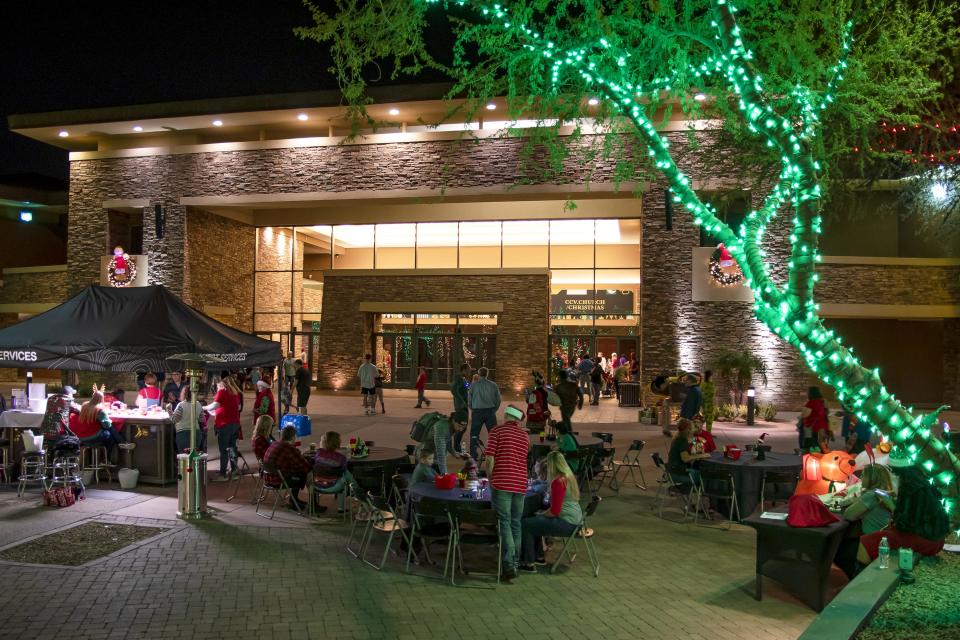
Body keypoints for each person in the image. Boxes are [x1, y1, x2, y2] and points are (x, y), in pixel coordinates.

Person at [858, 450, 951, 565]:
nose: (894, 474)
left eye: (895, 472)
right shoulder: (924, 482)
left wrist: (890, 504)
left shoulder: (909, 487)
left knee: (866, 542)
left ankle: (864, 579)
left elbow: (905, 523)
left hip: (925, 539)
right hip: (937, 539)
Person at [485, 405, 530, 581]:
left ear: (506, 416)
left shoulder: (496, 431)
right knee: (515, 523)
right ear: (518, 420)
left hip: (502, 481)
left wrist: (490, 477)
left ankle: (509, 564)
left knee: (504, 522)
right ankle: (515, 562)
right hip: (520, 483)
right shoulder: (525, 436)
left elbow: (490, 458)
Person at [519, 451, 583, 572]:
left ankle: (528, 563)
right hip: (576, 520)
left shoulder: (558, 482)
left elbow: (554, 511)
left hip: (567, 523)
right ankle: (539, 557)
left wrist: (540, 514)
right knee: (535, 522)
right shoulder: (569, 477)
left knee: (525, 524)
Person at [263, 425, 312, 510]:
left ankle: (294, 500)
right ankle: (296, 502)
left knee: (297, 472)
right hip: (278, 480)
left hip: (267, 478)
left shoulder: (275, 443)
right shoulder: (288, 447)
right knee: (303, 474)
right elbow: (305, 466)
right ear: (293, 437)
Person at [204, 376, 242, 481]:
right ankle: (234, 471)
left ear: (221, 384)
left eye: (217, 386)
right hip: (235, 424)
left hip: (225, 424)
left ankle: (223, 474)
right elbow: (237, 407)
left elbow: (214, 405)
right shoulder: (235, 393)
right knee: (233, 448)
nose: (217, 388)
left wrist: (204, 407)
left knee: (224, 449)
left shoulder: (222, 392)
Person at [73, 390, 132, 458]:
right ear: (102, 399)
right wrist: (109, 420)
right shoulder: (99, 409)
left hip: (81, 436)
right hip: (93, 436)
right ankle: (107, 457)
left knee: (109, 432)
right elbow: (107, 425)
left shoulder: (84, 405)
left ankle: (121, 443)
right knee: (111, 433)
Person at [313, 431, 358, 513]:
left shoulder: (318, 453)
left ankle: (315, 505)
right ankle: (355, 492)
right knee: (345, 477)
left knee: (342, 475)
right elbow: (343, 470)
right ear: (337, 443)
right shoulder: (341, 458)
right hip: (333, 486)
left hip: (316, 485)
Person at [468, 366, 501, 460]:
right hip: (490, 410)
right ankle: (494, 453)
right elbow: (498, 399)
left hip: (477, 411)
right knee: (493, 434)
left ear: (478, 374)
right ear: (487, 374)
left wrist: (472, 408)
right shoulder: (493, 385)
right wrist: (494, 409)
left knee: (474, 433)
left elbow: (469, 399)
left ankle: (473, 454)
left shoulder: (474, 385)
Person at [667, 418, 709, 485]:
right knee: (706, 476)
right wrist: (701, 455)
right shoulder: (682, 441)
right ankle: (704, 493)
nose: (694, 431)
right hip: (679, 474)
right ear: (687, 430)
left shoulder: (677, 438)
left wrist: (694, 455)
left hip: (672, 471)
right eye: (692, 429)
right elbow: (685, 459)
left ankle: (686, 490)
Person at [171, 386, 203, 454]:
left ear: (183, 394)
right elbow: (201, 419)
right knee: (193, 457)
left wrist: (169, 410)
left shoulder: (181, 405)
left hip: (183, 434)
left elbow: (174, 420)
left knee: (184, 458)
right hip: (196, 434)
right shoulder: (198, 404)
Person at [801, 386, 831, 451]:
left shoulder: (810, 403)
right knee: (821, 445)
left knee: (811, 445)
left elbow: (805, 415)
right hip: (823, 426)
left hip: (813, 428)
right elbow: (827, 412)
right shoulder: (823, 402)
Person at [554, 369, 583, 433]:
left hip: (564, 406)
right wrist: (580, 403)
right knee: (566, 420)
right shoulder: (573, 384)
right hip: (571, 405)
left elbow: (554, 397)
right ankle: (567, 431)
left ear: (560, 377)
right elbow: (580, 394)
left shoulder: (558, 387)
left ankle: (569, 432)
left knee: (566, 420)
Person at [451, 364, 470, 453]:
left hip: (464, 406)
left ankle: (456, 444)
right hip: (461, 407)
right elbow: (454, 390)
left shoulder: (463, 379)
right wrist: (462, 401)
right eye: (468, 370)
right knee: (462, 426)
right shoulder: (459, 379)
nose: (469, 372)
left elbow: (467, 387)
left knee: (463, 426)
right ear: (464, 370)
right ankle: (456, 446)